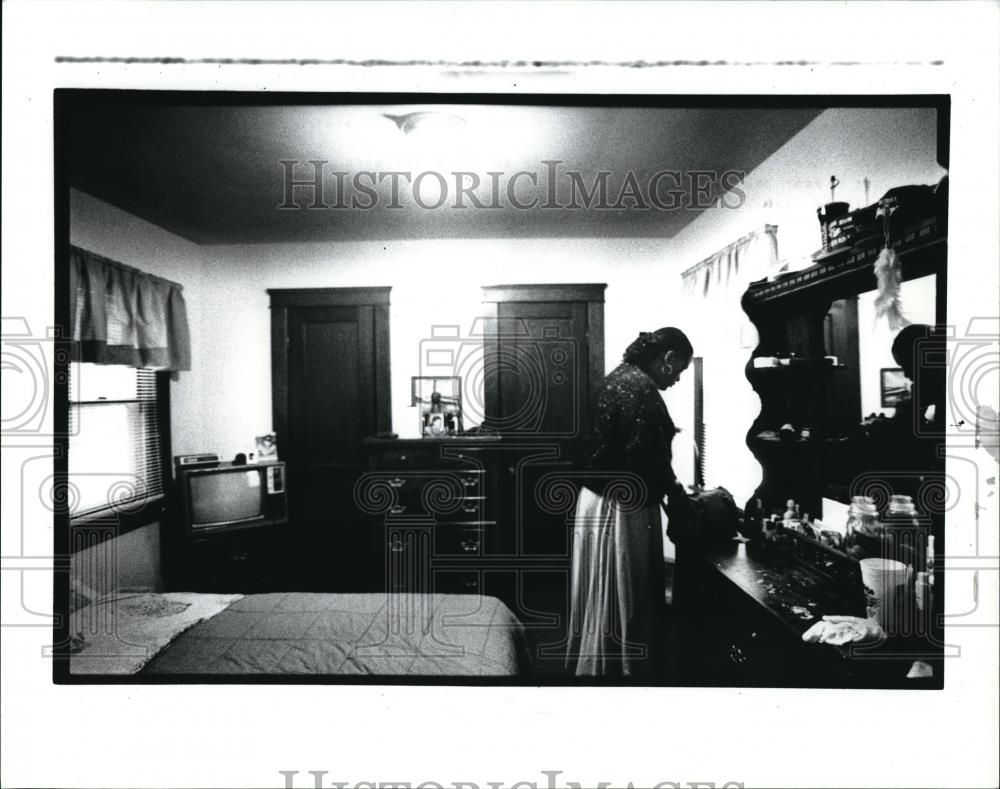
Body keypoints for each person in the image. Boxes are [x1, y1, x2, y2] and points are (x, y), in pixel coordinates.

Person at [565, 327, 693, 678]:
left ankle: (603, 662)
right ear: (667, 359)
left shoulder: (616, 377)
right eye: (679, 370)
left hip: (595, 500)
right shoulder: (642, 388)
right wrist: (675, 491)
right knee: (626, 592)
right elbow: (645, 457)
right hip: (621, 508)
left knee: (600, 591)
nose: (679, 379)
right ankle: (622, 670)